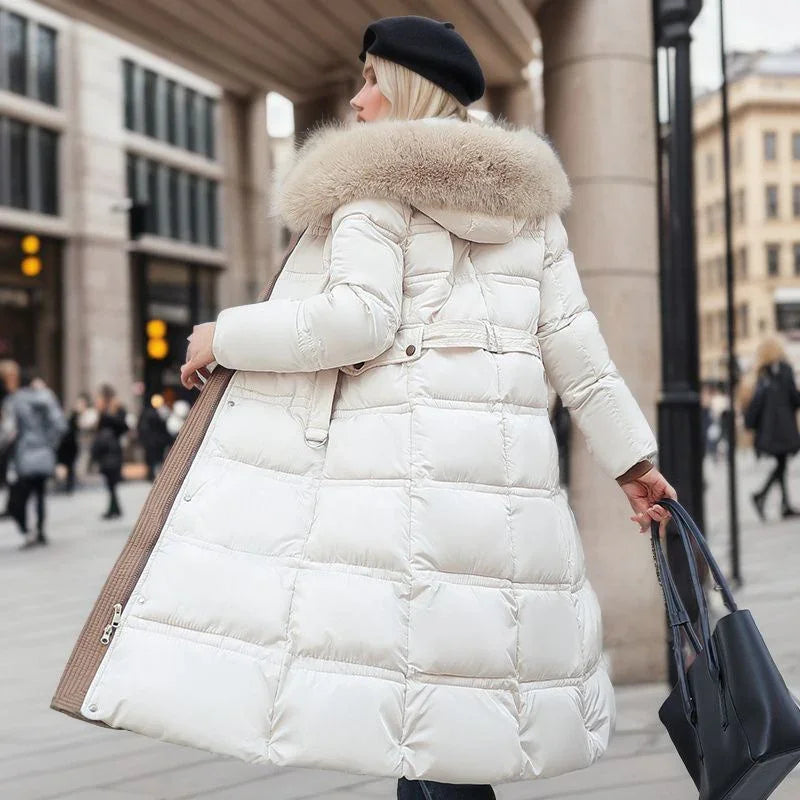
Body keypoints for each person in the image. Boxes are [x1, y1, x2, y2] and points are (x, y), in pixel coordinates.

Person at [57, 15, 676, 798]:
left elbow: (354, 322)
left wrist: (223, 334)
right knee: (455, 728)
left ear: (407, 90)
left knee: (424, 729)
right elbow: (579, 355)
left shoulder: (376, 185)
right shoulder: (530, 212)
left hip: (403, 497)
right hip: (501, 510)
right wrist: (634, 461)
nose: (356, 101)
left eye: (371, 81)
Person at [0, 366, 66, 547]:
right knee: (40, 494)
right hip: (44, 453)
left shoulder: (14, 401)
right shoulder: (47, 397)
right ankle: (40, 531)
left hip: (25, 455)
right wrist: (50, 444)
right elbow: (60, 425)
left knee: (20, 498)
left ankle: (28, 532)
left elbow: (8, 430)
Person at [744, 335, 800, 520]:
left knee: (781, 464)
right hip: (783, 429)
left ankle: (780, 503)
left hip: (770, 431)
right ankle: (761, 496)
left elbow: (757, 403)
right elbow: (794, 398)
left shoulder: (763, 374)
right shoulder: (784, 370)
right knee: (781, 464)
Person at [90, 384, 128, 520]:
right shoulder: (103, 411)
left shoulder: (117, 409)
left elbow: (124, 427)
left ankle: (114, 509)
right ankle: (114, 508)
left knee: (112, 481)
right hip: (105, 451)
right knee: (110, 482)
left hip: (113, 450)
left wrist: (107, 415)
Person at [57, 392, 91, 493]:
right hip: (68, 444)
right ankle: (67, 484)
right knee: (67, 466)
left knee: (70, 466)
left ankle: (69, 485)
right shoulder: (73, 415)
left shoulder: (84, 415)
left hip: (73, 445)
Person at [137, 393, 170, 482]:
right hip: (155, 441)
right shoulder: (156, 413)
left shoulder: (148, 413)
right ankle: (153, 474)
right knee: (155, 459)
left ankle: (151, 474)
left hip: (152, 441)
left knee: (152, 459)